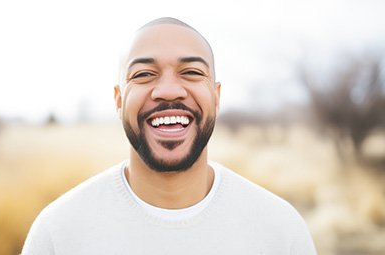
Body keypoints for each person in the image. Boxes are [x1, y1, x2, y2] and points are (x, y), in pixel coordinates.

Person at [22, 17, 317, 254]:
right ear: (118, 100)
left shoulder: (280, 229)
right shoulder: (58, 232)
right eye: (143, 74)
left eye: (190, 72)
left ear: (216, 96)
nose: (168, 91)